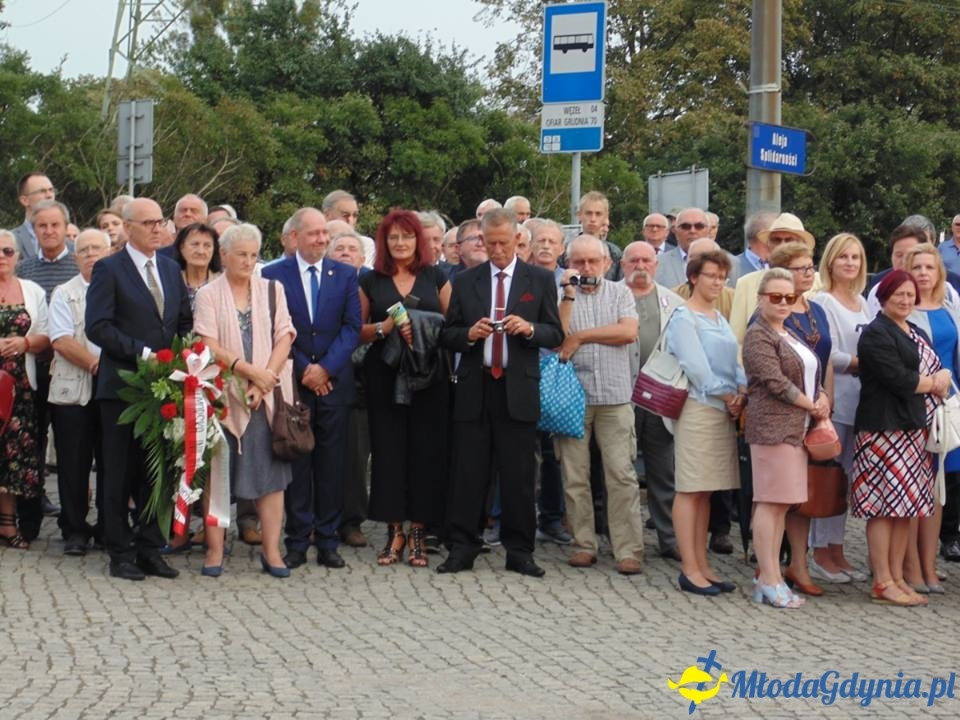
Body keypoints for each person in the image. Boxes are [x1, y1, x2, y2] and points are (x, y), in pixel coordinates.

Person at [438, 208, 564, 577]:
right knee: (469, 472)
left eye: (503, 243)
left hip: (518, 388)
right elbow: (448, 335)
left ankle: (520, 550)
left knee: (520, 475)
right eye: (488, 243)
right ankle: (463, 545)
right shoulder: (466, 281)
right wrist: (468, 335)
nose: (496, 250)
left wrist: (528, 329)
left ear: (517, 241)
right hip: (476, 387)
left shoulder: (538, 280)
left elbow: (555, 334)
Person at [86, 197, 193, 581]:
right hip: (122, 389)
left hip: (165, 389)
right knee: (118, 471)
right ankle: (120, 551)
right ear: (127, 227)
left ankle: (151, 547)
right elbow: (97, 326)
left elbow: (182, 321)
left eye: (159, 221)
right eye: (147, 222)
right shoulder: (108, 269)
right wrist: (143, 353)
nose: (156, 228)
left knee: (157, 471)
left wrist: (184, 358)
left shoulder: (168, 267)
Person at [194, 223, 296, 578]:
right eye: (241, 254)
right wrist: (248, 371)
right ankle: (215, 550)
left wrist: (264, 381)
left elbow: (285, 336)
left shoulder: (273, 289)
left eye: (254, 255)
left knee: (271, 478)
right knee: (218, 477)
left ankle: (272, 551)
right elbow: (207, 344)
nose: (249, 261)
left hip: (266, 397)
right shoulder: (208, 294)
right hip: (224, 396)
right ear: (223, 255)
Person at [261, 207, 361, 570]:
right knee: (297, 461)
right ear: (293, 238)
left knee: (332, 464)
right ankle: (298, 539)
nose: (321, 239)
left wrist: (326, 370)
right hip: (295, 382)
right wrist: (306, 369)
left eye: (324, 233)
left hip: (334, 383)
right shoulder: (273, 275)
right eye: (314, 233)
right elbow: (276, 327)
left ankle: (329, 539)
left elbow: (352, 328)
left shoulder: (346, 275)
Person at [358, 210, 451, 568]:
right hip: (385, 376)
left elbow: (453, 324)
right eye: (393, 237)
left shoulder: (435, 276)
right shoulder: (371, 281)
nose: (400, 243)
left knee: (426, 454)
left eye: (407, 237)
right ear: (384, 242)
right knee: (389, 452)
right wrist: (384, 328)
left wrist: (421, 326)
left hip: (429, 378)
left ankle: (419, 532)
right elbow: (356, 330)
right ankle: (394, 530)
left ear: (419, 241)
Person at [852, 270, 950, 606]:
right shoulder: (875, 333)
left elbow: (937, 367)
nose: (906, 300)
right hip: (884, 429)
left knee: (905, 507)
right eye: (899, 295)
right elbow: (898, 378)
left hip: (913, 429)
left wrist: (942, 376)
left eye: (910, 295)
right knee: (883, 507)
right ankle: (882, 578)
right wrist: (933, 382)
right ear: (883, 297)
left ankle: (897, 576)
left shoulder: (915, 329)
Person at [555, 235, 644, 574]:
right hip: (572, 397)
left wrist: (583, 336)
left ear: (607, 264)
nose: (587, 267)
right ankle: (583, 544)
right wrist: (567, 294)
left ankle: (628, 550)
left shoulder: (620, 292)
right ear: (568, 264)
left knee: (621, 475)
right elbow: (560, 335)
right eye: (579, 261)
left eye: (593, 261)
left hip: (615, 397)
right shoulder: (562, 295)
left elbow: (628, 332)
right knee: (574, 475)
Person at [743, 269, 831, 608]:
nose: (782, 303)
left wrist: (821, 397)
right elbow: (774, 381)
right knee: (770, 502)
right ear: (761, 299)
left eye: (789, 297)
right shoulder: (758, 335)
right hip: (773, 428)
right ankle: (768, 576)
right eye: (775, 297)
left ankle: (771, 575)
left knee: (781, 504)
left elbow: (811, 373)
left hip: (797, 427)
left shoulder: (789, 332)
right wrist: (813, 405)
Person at [665, 250, 745, 596]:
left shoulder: (718, 317)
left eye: (722, 276)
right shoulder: (685, 317)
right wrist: (727, 394)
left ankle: (702, 563)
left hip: (723, 408)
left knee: (707, 490)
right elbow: (695, 366)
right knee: (691, 487)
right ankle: (689, 567)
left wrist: (741, 391)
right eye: (711, 275)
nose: (717, 282)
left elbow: (734, 358)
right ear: (694, 277)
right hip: (699, 407)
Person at [762, 241, 836, 594]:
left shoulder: (816, 310)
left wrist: (825, 402)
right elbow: (773, 374)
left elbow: (824, 359)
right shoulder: (774, 312)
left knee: (804, 492)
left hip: (815, 412)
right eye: (801, 268)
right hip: (784, 416)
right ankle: (774, 568)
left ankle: (798, 563)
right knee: (779, 498)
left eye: (811, 267)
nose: (809, 273)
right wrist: (810, 402)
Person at [810, 233, 872, 583]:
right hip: (836, 399)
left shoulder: (862, 302)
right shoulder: (824, 301)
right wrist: (862, 362)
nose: (850, 263)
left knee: (845, 479)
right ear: (831, 262)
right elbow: (827, 351)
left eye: (856, 257)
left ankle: (838, 548)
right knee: (828, 477)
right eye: (844, 257)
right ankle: (820, 550)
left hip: (862, 402)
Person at [48, 229, 110, 556]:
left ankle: (106, 527)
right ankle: (74, 529)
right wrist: (98, 366)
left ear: (110, 252)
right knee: (73, 463)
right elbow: (60, 339)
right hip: (73, 389)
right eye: (83, 250)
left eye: (96, 248)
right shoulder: (64, 292)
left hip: (113, 387)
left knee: (111, 461)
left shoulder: (119, 289)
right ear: (75, 258)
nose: (90, 254)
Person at [621, 241, 684, 560]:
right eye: (634, 261)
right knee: (620, 472)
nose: (640, 266)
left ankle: (669, 538)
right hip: (620, 397)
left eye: (647, 260)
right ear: (622, 265)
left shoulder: (674, 302)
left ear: (657, 265)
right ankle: (625, 540)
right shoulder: (610, 296)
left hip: (659, 399)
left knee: (664, 472)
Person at [904, 243, 960, 592]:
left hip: (950, 406)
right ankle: (910, 565)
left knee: (939, 488)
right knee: (916, 489)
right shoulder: (903, 310)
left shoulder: (950, 309)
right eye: (918, 266)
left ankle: (928, 564)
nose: (924, 272)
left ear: (940, 272)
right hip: (917, 405)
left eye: (930, 267)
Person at [0, 229, 50, 549]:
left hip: (19, 387)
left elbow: (47, 336)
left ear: (18, 255)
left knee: (13, 459)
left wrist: (25, 342)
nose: (2, 257)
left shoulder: (32, 290)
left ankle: (8, 524)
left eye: (7, 251)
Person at [171, 223, 222, 311]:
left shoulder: (223, 282)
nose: (201, 251)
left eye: (207, 245)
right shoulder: (170, 282)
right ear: (182, 247)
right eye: (195, 244)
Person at [12, 171, 56, 265]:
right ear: (25, 200)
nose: (49, 195)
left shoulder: (67, 240)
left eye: (51, 190)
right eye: (42, 191)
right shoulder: (10, 241)